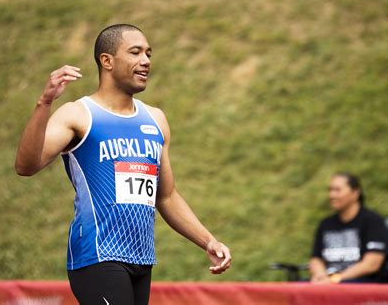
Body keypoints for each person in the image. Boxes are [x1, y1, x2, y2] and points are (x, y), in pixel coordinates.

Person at [15, 24, 231, 305]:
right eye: (135, 52)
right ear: (107, 61)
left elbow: (165, 196)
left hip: (141, 259)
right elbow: (26, 165)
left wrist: (208, 241)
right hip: (97, 256)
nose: (146, 61)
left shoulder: (155, 120)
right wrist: (44, 103)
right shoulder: (79, 115)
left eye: (148, 54)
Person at [309, 172, 388, 284]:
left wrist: (335, 279)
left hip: (363, 285)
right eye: (330, 190)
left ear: (355, 193)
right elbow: (316, 258)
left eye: (337, 190)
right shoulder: (325, 224)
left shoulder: (373, 221)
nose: (332, 195)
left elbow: (372, 264)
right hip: (329, 283)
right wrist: (320, 276)